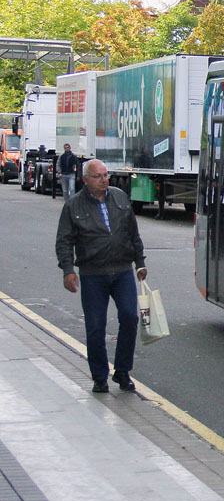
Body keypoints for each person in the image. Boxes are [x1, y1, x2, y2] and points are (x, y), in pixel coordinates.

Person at [55, 159, 147, 393]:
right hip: (93, 275)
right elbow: (64, 241)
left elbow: (133, 233)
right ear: (85, 180)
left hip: (123, 271)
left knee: (130, 317)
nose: (104, 180)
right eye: (98, 176)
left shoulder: (119, 198)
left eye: (106, 175)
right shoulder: (73, 206)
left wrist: (140, 263)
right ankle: (99, 376)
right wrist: (68, 271)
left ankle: (123, 371)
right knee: (95, 326)